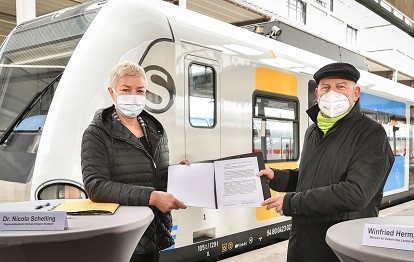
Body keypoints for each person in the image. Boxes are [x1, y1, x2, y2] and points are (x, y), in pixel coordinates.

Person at [258, 62, 395, 262]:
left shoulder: (371, 133)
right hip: (303, 243)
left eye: (340, 87)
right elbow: (309, 177)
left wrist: (291, 203)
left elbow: (356, 193)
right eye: (325, 87)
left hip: (341, 246)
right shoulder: (313, 131)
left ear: (355, 93)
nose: (332, 93)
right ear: (317, 93)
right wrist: (276, 177)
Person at [81, 61, 187, 262]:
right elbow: (95, 186)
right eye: (126, 89)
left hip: (155, 232)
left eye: (140, 90)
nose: (134, 96)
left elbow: (156, 174)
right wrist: (151, 197)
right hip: (123, 236)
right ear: (112, 93)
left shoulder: (156, 130)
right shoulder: (96, 134)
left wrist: (180, 175)